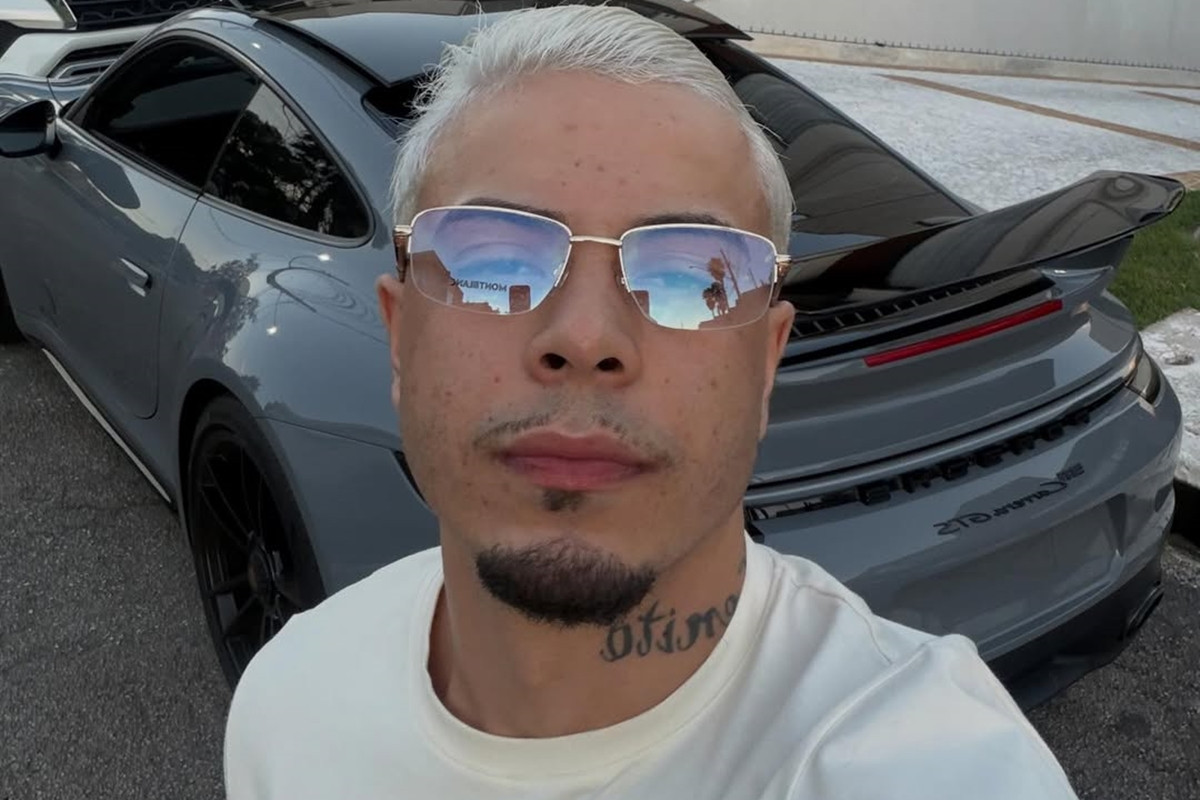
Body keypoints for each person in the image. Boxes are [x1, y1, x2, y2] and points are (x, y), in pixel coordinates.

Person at [223, 5, 1080, 798]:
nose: (585, 336)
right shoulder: (289, 706)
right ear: (401, 338)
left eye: (693, 276)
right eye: (491, 259)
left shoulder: (927, 762)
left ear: (766, 363)